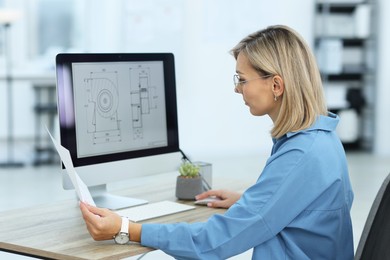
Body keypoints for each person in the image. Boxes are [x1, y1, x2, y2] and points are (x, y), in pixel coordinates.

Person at [80, 25, 354, 259]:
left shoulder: (300, 154)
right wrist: (249, 203)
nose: (236, 88)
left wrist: (127, 229)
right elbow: (304, 208)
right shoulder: (321, 137)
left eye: (242, 79)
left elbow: (216, 241)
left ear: (276, 86)